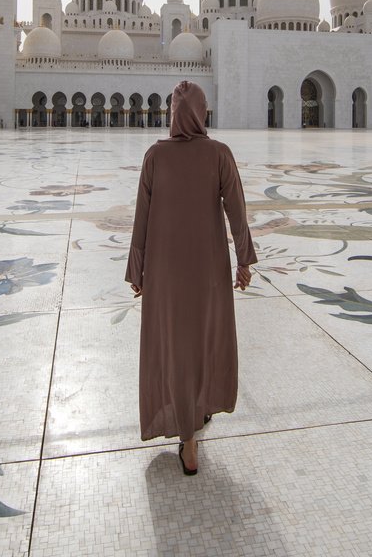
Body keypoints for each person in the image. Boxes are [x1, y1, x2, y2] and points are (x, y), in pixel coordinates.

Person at [125, 80, 256, 476]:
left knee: (174, 344)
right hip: (208, 269)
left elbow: (141, 219)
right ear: (201, 113)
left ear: (171, 114)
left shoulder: (155, 157)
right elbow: (236, 210)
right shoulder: (219, 154)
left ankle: (187, 434)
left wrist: (137, 270)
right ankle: (193, 425)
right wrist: (244, 261)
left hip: (165, 271)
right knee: (203, 339)